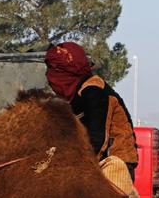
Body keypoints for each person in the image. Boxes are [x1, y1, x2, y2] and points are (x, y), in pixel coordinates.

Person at [44, 42, 138, 187]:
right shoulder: (77, 94)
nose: (49, 78)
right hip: (92, 162)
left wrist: (74, 166)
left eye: (53, 72)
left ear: (65, 73)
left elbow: (98, 139)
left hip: (114, 166)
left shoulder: (95, 92)